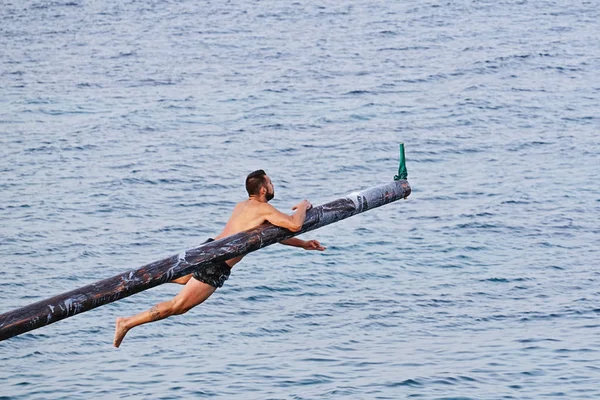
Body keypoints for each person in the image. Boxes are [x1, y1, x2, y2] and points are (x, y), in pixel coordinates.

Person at [113, 170, 325, 347]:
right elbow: (294, 224)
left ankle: (137, 281)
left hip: (209, 247)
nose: (272, 186)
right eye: (270, 183)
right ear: (263, 189)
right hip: (219, 261)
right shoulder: (263, 208)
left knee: (182, 278)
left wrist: (303, 244)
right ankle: (126, 323)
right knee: (179, 306)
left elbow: (270, 235)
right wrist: (303, 206)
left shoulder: (243, 206)